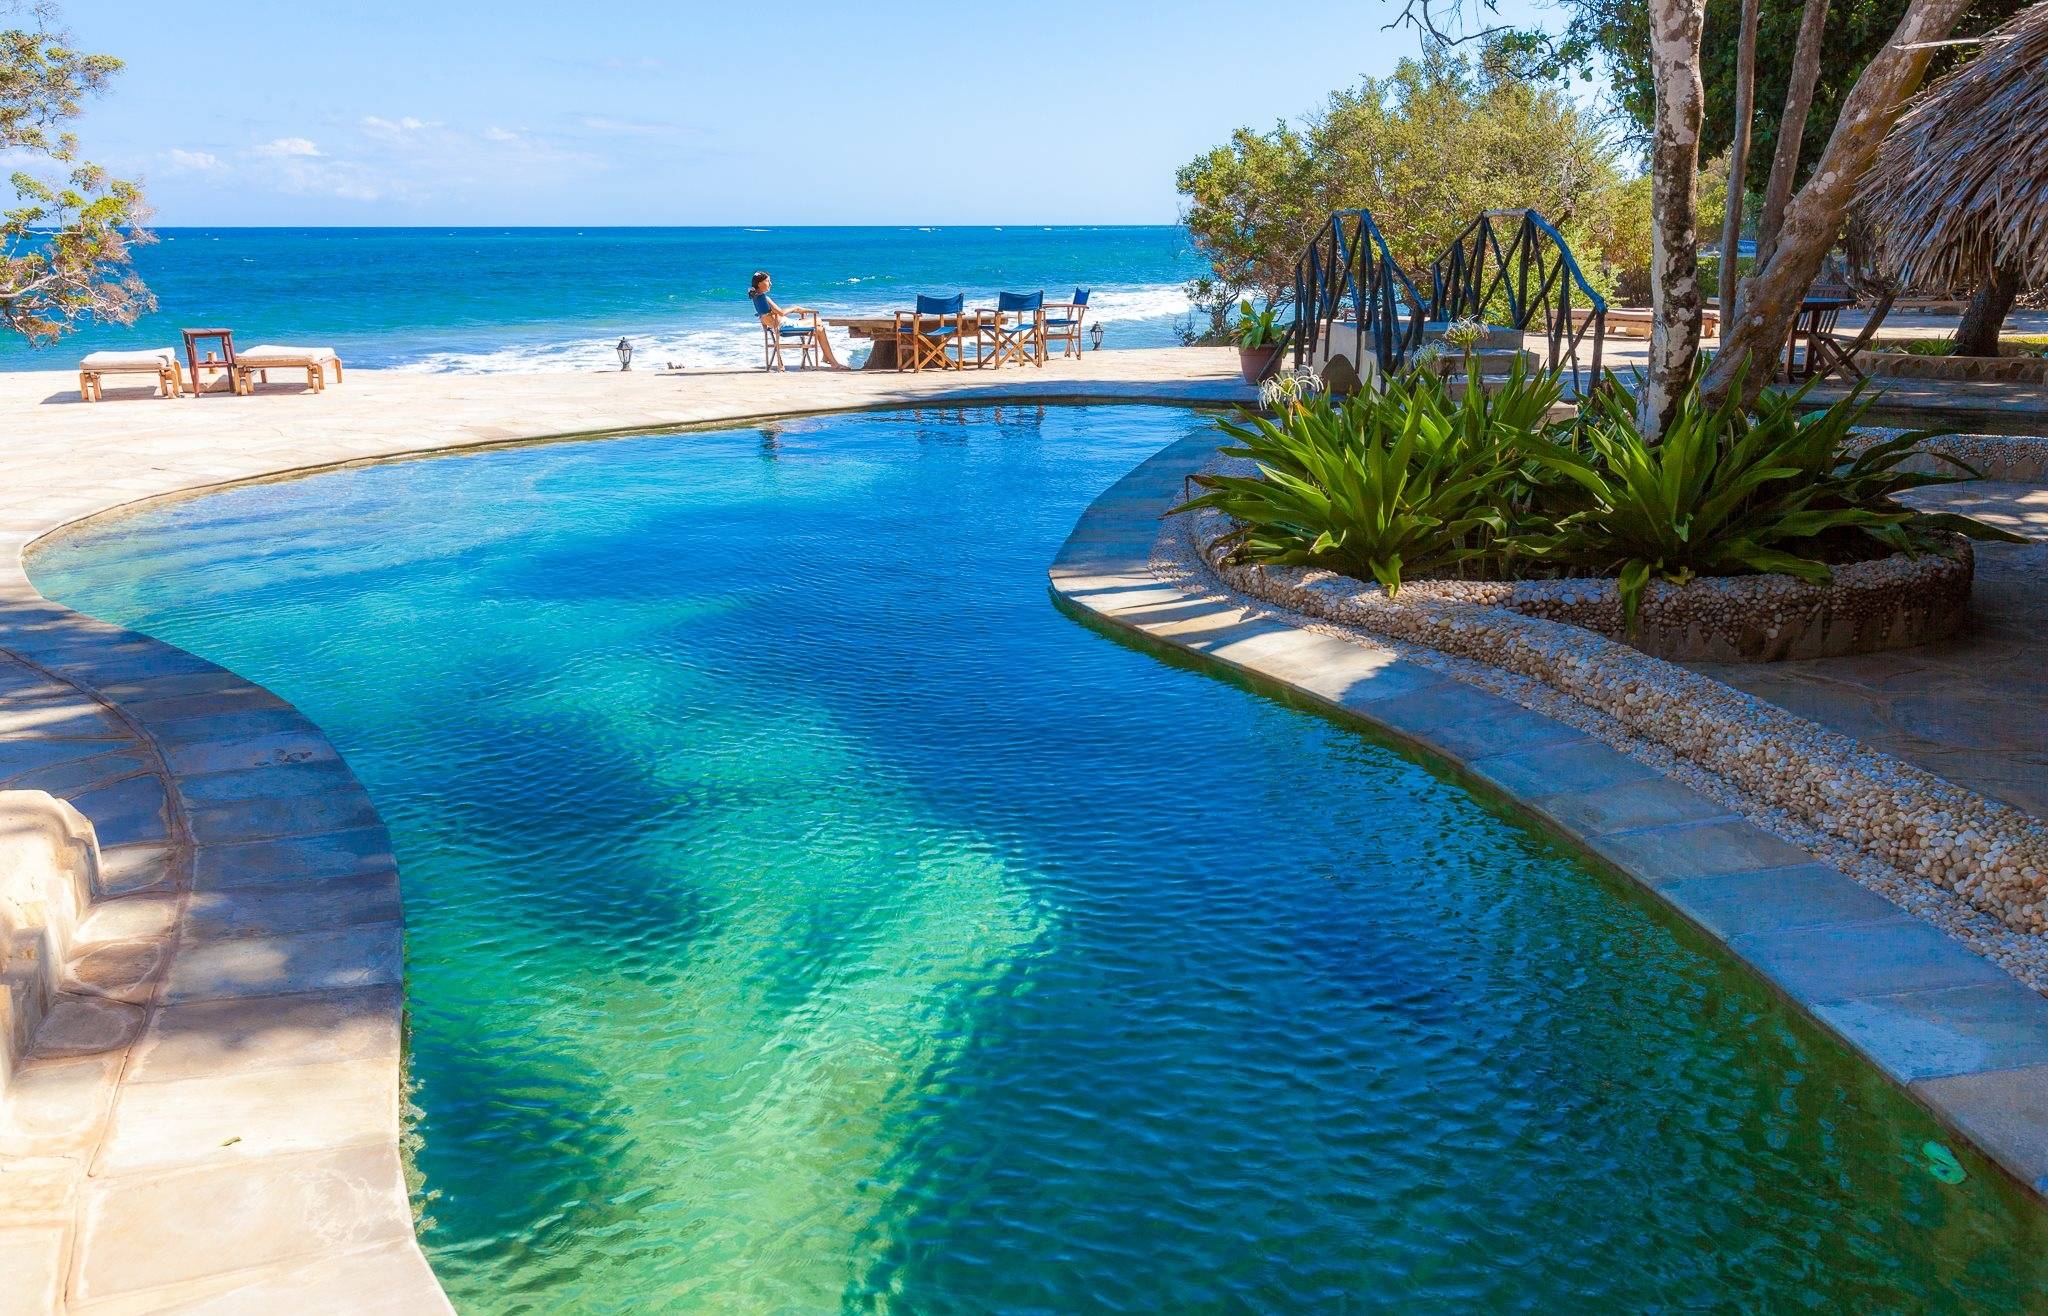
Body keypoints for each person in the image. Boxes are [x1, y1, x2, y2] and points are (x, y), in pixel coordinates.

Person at [748, 271, 846, 369]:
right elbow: (781, 312)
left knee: (819, 329)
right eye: (768, 281)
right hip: (785, 326)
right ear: (759, 283)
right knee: (819, 321)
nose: (770, 283)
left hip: (779, 326)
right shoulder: (765, 298)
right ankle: (832, 361)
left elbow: (766, 316)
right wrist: (795, 308)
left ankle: (829, 359)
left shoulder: (756, 298)